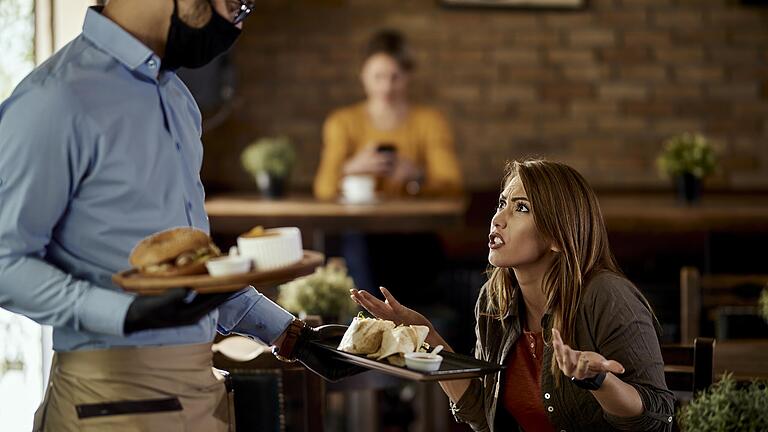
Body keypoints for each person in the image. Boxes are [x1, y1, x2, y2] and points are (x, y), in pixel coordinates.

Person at [0, 1, 357, 431]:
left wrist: (290, 336)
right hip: (109, 402)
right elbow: (5, 263)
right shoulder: (55, 99)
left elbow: (191, 271)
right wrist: (122, 313)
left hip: (201, 391)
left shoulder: (176, 98)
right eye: (234, 4)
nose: (236, 23)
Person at [351, 159, 675, 431]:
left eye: (521, 208)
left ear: (558, 236)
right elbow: (482, 414)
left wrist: (599, 381)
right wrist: (424, 335)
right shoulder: (495, 300)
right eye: (503, 203)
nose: (498, 219)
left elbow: (657, 417)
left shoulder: (607, 297)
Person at [313, 29, 463, 200]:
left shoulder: (431, 122)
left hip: (413, 222)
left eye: (395, 77)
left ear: (408, 76)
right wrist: (351, 168)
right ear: (363, 75)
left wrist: (416, 176)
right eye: (378, 77)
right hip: (355, 223)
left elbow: (452, 186)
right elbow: (323, 190)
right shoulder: (341, 122)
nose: (387, 87)